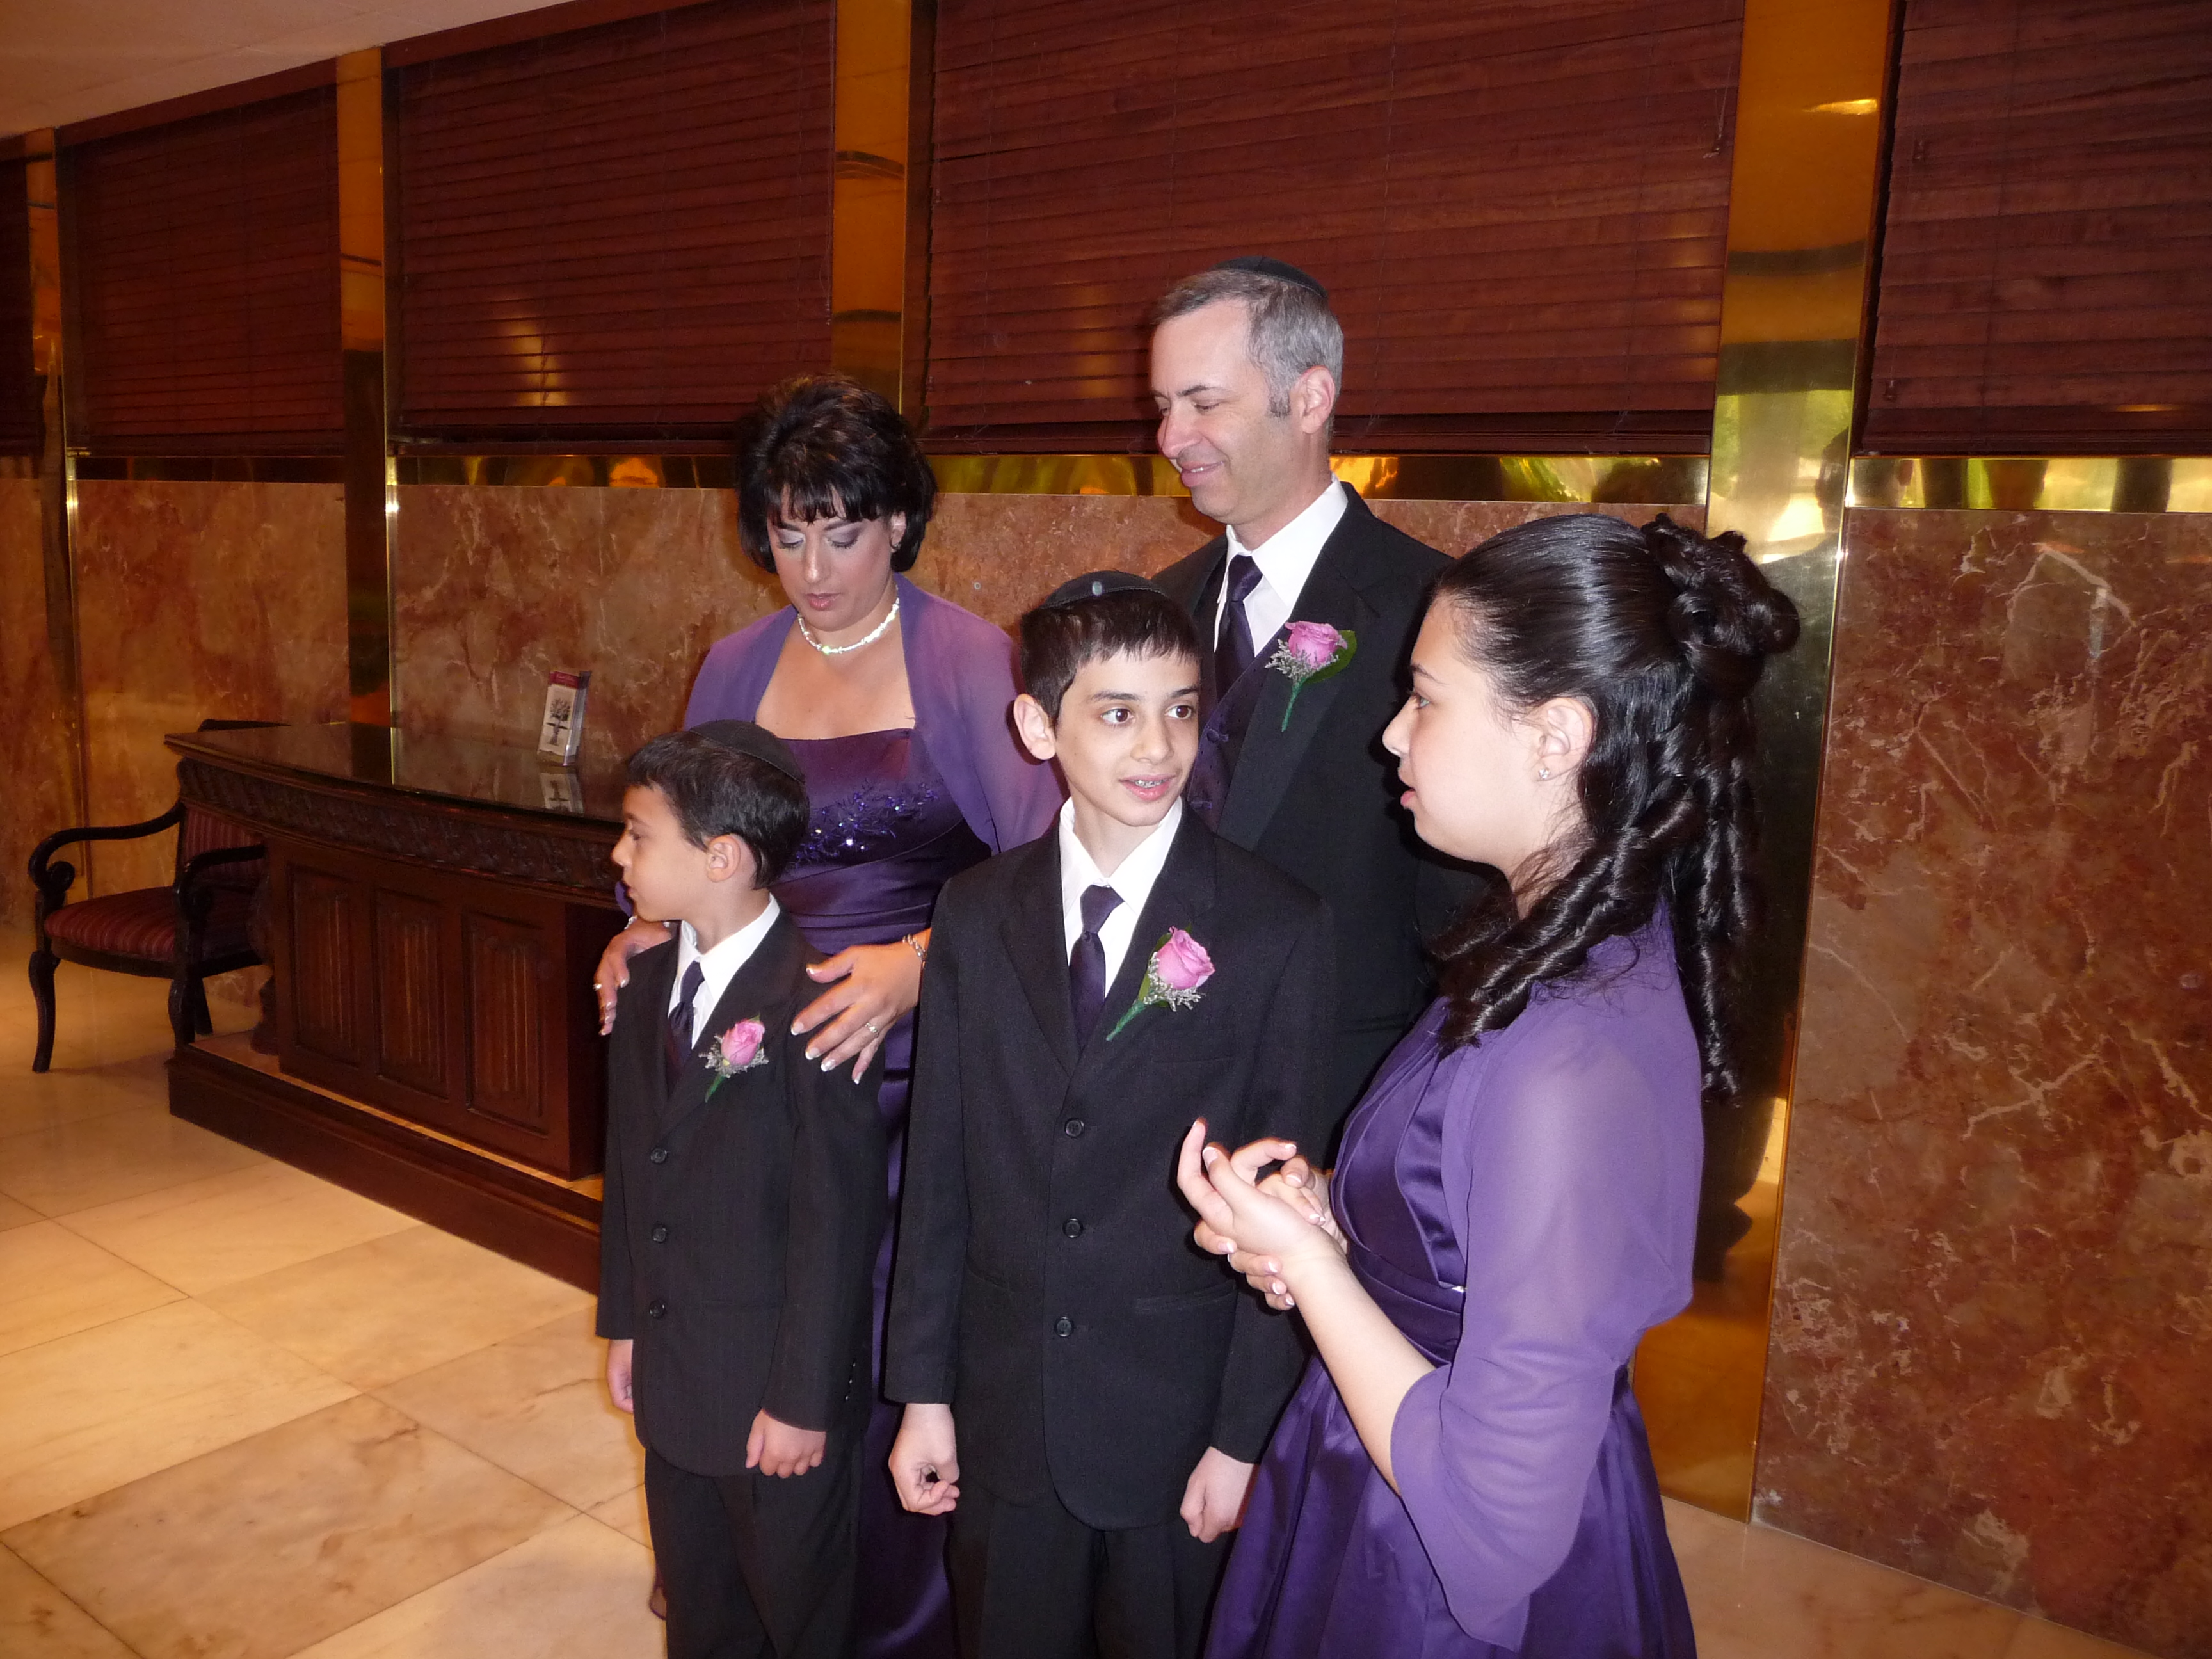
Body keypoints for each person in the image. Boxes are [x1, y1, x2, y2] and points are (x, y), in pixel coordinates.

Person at [1180, 513, 1801, 1657]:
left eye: (1425, 699)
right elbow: (1476, 1240)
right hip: (1374, 1476)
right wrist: (1339, 1231)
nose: (1392, 736)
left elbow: (1491, 1536)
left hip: (1426, 1584)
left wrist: (1314, 1270)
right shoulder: (1550, 942)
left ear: (1555, 736)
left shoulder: (1572, 1060)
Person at [594, 374, 1061, 1657]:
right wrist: (642, 932)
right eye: (786, 535)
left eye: (841, 534)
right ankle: (735, 1565)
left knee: (865, 1330)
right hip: (753, 1069)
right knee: (740, 1301)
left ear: (899, 523)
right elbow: (697, 849)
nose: (811, 570)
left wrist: (919, 962)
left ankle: (885, 1619)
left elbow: (1048, 876)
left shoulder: (972, 661)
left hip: (903, 1073)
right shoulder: (737, 663)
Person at [885, 573, 1337, 1659]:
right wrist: (924, 1395)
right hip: (1007, 1410)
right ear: (1039, 726)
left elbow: (1289, 1210)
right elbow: (940, 1168)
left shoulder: (1276, 926)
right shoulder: (974, 911)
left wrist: (1242, 1438)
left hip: (1176, 1424)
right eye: (1118, 713)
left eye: (1181, 709)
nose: (1159, 746)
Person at [1148, 257, 1483, 1130]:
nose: (1173, 437)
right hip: (1155, 1092)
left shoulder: (1432, 609)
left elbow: (1465, 913)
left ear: (1308, 399)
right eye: (1163, 407)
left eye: (1203, 402)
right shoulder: (1157, 608)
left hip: (1342, 1094)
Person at [598, 721, 888, 1659]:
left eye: (638, 835)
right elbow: (632, 1169)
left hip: (775, 1396)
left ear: (719, 857)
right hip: (678, 1373)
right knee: (701, 1606)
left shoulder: (816, 1005)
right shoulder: (645, 983)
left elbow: (837, 1223)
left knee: (796, 1614)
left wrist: (804, 1399)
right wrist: (627, 1323)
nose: (619, 855)